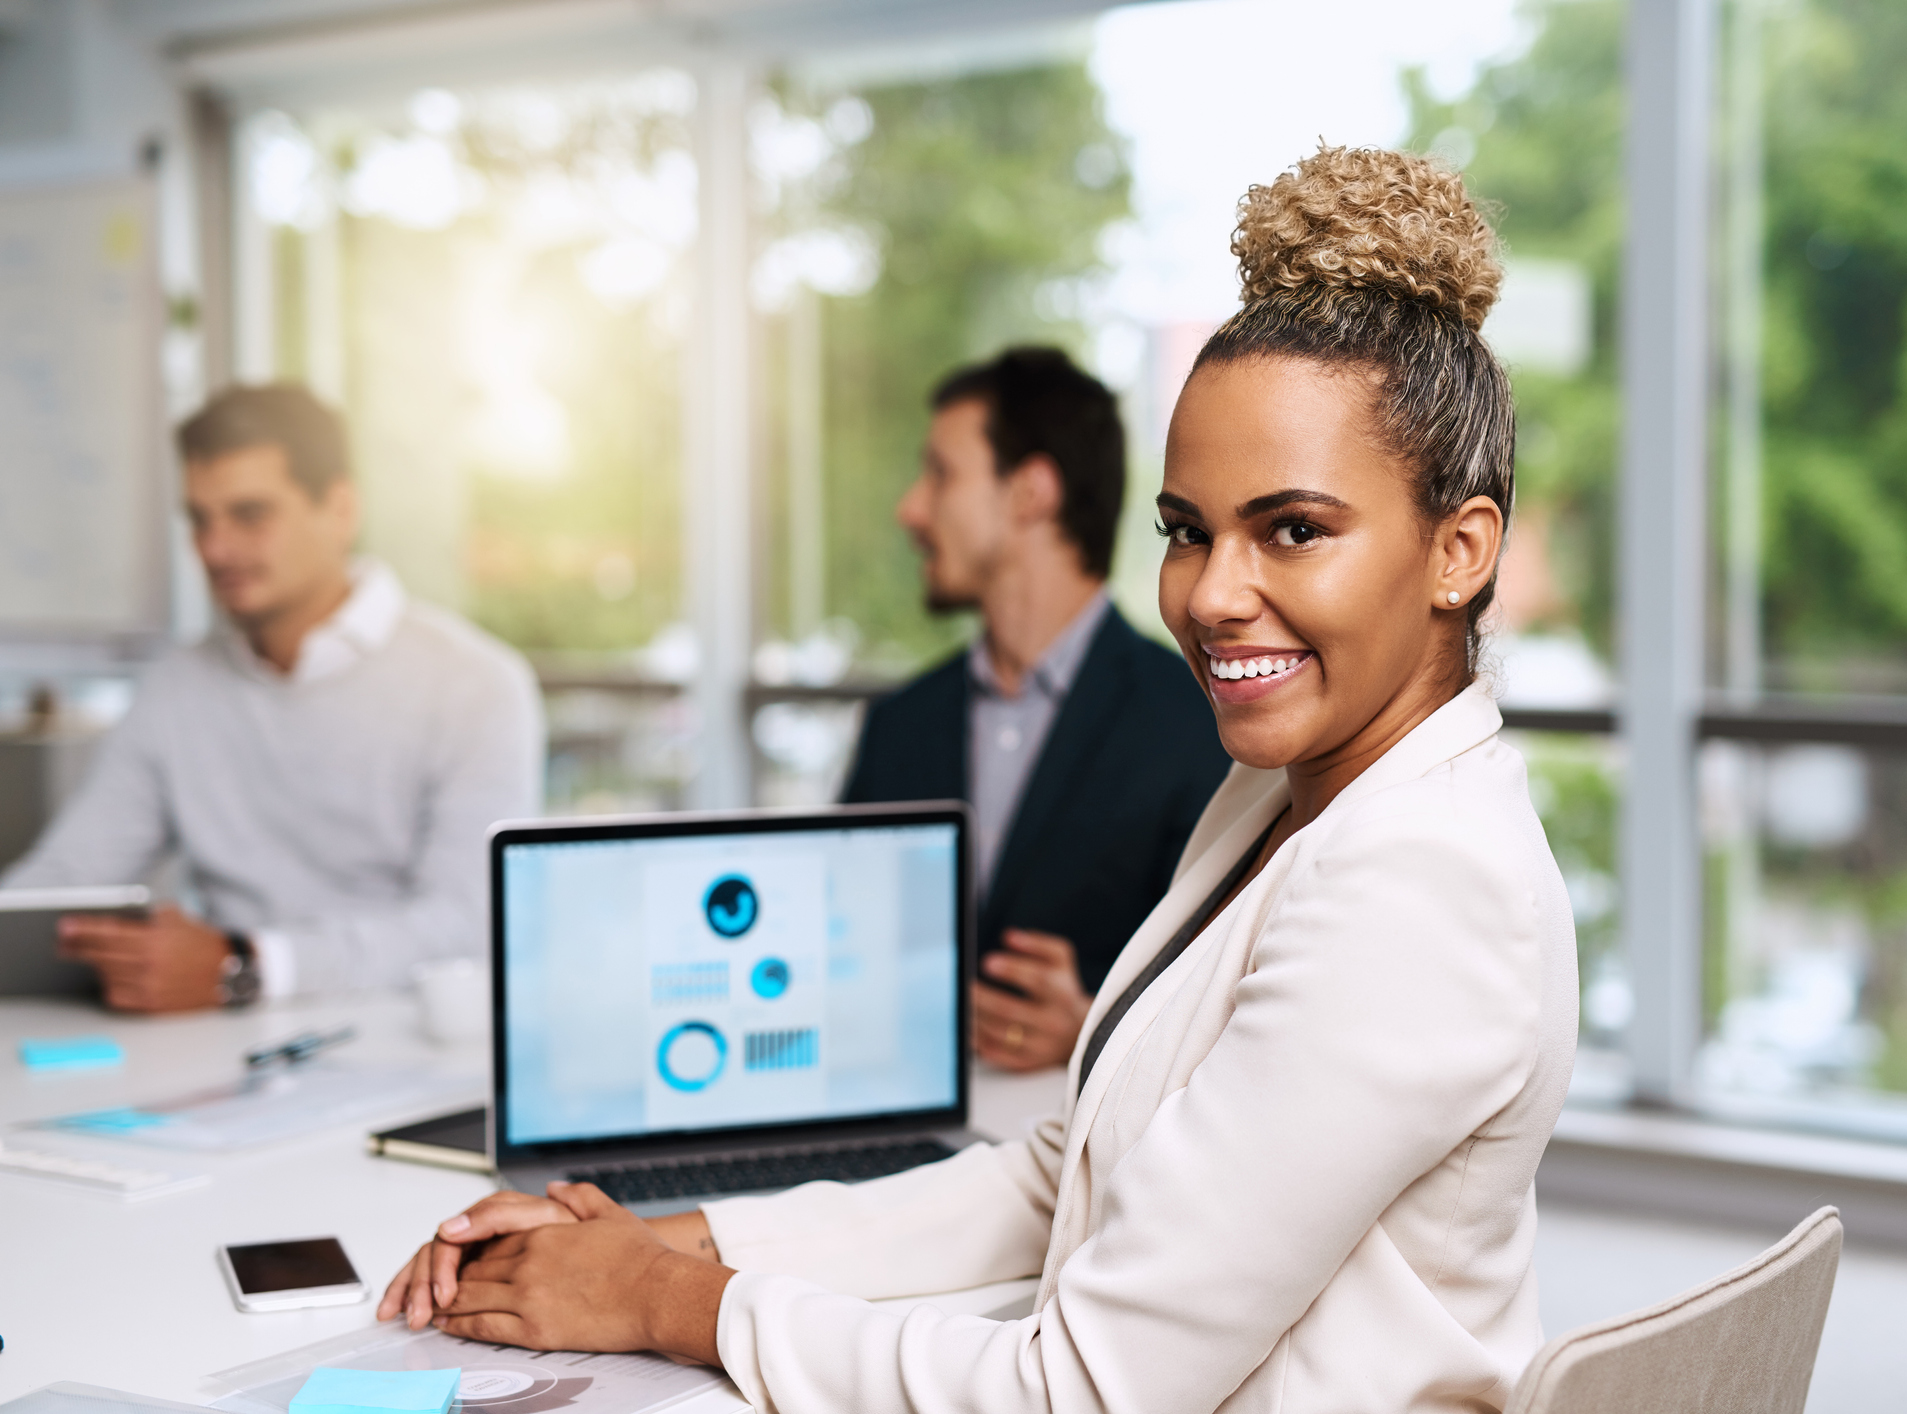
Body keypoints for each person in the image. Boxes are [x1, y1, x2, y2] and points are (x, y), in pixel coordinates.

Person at [376, 146, 1578, 1414]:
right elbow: (1063, 1176)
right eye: (1185, 532)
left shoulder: (1420, 886)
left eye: (1293, 530)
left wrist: (659, 1302)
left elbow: (1081, 1389)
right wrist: (670, 1241)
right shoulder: (1294, 798)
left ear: (1459, 549)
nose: (1213, 596)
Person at [3, 384, 544, 1012]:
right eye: (200, 520)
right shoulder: (177, 690)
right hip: (228, 1059)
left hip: (405, 1058)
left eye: (250, 515)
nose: (216, 549)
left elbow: (468, 924)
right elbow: (69, 876)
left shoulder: (474, 686)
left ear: (339, 509)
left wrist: (247, 964)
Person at [841, 347, 1229, 1071]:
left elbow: (1231, 1013)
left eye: (941, 473)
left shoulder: (1203, 725)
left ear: (1031, 492)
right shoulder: (899, 725)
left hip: (1079, 1152)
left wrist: (1092, 1029)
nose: (911, 509)